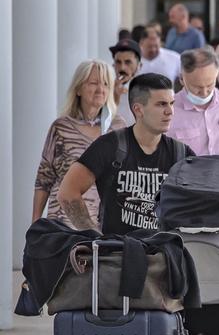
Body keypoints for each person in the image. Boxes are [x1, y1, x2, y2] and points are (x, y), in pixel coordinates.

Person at [58, 73, 194, 234]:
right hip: (117, 254)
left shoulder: (181, 153)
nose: (170, 111)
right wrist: (93, 235)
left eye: (172, 103)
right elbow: (67, 193)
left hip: (164, 254)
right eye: (161, 104)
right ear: (138, 109)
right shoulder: (110, 146)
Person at [33, 60, 127, 226]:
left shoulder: (119, 128)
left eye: (105, 84)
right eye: (93, 83)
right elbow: (44, 178)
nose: (100, 89)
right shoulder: (61, 127)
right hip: (63, 223)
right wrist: (35, 224)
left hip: (102, 226)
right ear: (78, 89)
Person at [168, 48, 219, 156]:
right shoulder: (169, 109)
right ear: (182, 79)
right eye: (197, 87)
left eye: (210, 84)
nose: (204, 92)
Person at [110, 39, 142, 126]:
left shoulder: (148, 91)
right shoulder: (104, 90)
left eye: (128, 62)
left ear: (139, 66)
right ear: (113, 65)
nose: (122, 68)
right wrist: (114, 97)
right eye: (118, 62)